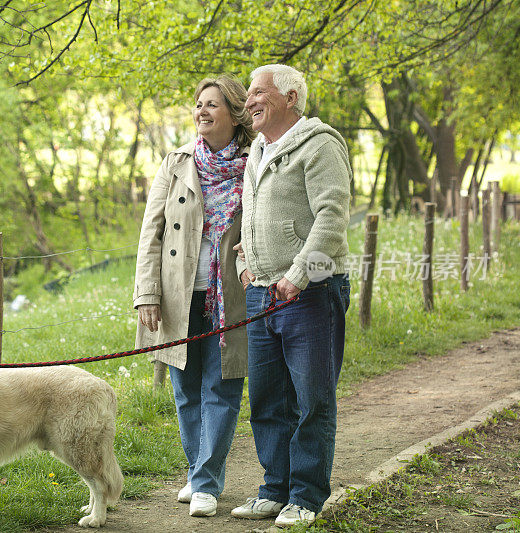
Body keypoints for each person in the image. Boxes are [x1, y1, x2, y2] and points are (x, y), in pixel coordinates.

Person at [230, 64, 352, 528]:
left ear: (291, 98)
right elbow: (249, 219)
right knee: (267, 400)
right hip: (262, 292)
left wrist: (300, 274)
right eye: (248, 96)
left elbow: (332, 217)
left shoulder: (321, 145)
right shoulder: (258, 150)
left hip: (312, 291)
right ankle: (273, 489)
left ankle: (305, 496)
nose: (249, 102)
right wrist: (245, 267)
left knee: (311, 400)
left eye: (259, 93)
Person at [133, 75, 255, 518]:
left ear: (234, 113)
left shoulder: (255, 161)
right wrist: (147, 293)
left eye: (211, 105)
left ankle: (205, 481)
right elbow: (152, 232)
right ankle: (198, 472)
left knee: (221, 388)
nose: (201, 111)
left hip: (232, 297)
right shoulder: (177, 162)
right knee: (185, 391)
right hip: (177, 293)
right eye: (198, 104)